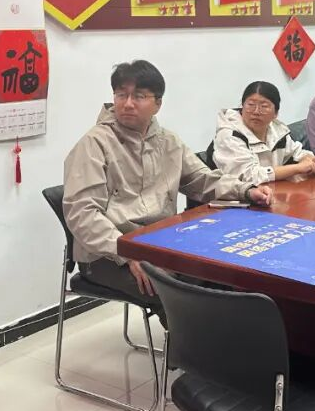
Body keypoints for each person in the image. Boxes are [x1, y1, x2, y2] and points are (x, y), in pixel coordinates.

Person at [63, 60, 272, 311]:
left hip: (161, 242)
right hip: (107, 254)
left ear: (158, 104)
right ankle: (190, 334)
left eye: (139, 96)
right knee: (180, 293)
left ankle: (215, 332)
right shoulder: (94, 144)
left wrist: (246, 190)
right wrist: (128, 253)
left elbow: (202, 179)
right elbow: (82, 213)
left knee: (227, 270)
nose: (127, 103)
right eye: (121, 94)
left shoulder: (167, 141)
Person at [212, 80, 315, 183]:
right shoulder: (229, 134)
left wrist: (312, 160)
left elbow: (296, 152)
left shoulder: (277, 130)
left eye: (264, 106)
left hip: (269, 192)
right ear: (242, 106)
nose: (256, 112)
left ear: (275, 113)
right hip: (230, 197)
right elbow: (249, 176)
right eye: (251, 105)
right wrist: (297, 168)